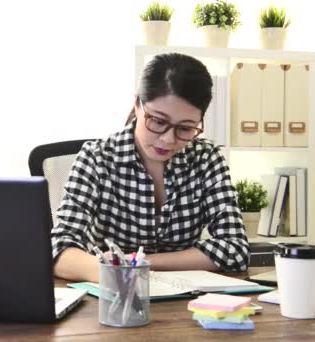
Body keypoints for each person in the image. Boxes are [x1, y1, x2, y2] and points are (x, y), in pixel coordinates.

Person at [51, 53, 249, 282]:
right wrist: (113, 273)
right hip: (112, 301)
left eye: (185, 128)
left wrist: (137, 263)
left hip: (183, 302)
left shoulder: (206, 159)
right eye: (158, 121)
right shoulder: (96, 158)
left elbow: (234, 249)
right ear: (137, 105)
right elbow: (60, 249)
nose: (167, 139)